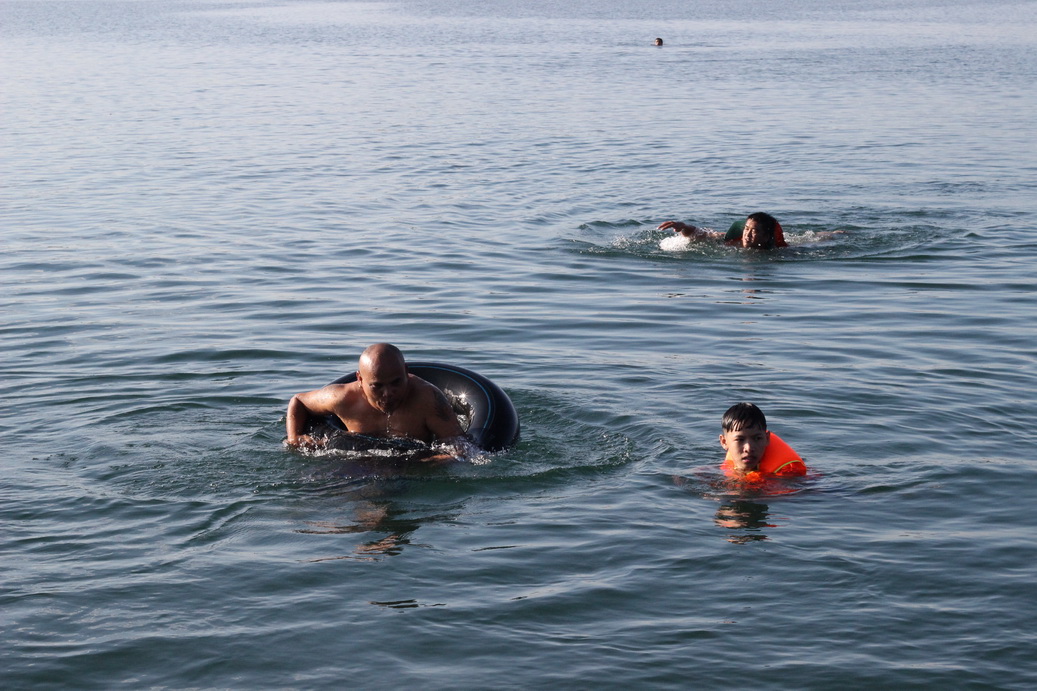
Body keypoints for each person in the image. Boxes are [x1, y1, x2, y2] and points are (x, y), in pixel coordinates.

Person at [285, 343, 467, 461]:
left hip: (409, 469)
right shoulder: (342, 398)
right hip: (357, 464)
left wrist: (436, 460)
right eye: (377, 386)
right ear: (360, 379)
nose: (388, 393)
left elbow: (461, 447)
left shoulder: (427, 399)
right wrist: (294, 437)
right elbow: (298, 401)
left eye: (396, 382)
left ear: (406, 372)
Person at [718, 402, 807, 478]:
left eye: (757, 438)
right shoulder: (713, 474)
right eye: (740, 440)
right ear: (724, 442)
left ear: (767, 438)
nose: (749, 448)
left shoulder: (789, 476)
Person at [659, 212, 788, 249]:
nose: (747, 235)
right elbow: (699, 234)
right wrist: (684, 227)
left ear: (766, 236)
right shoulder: (734, 241)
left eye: (754, 231)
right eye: (746, 229)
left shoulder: (778, 252)